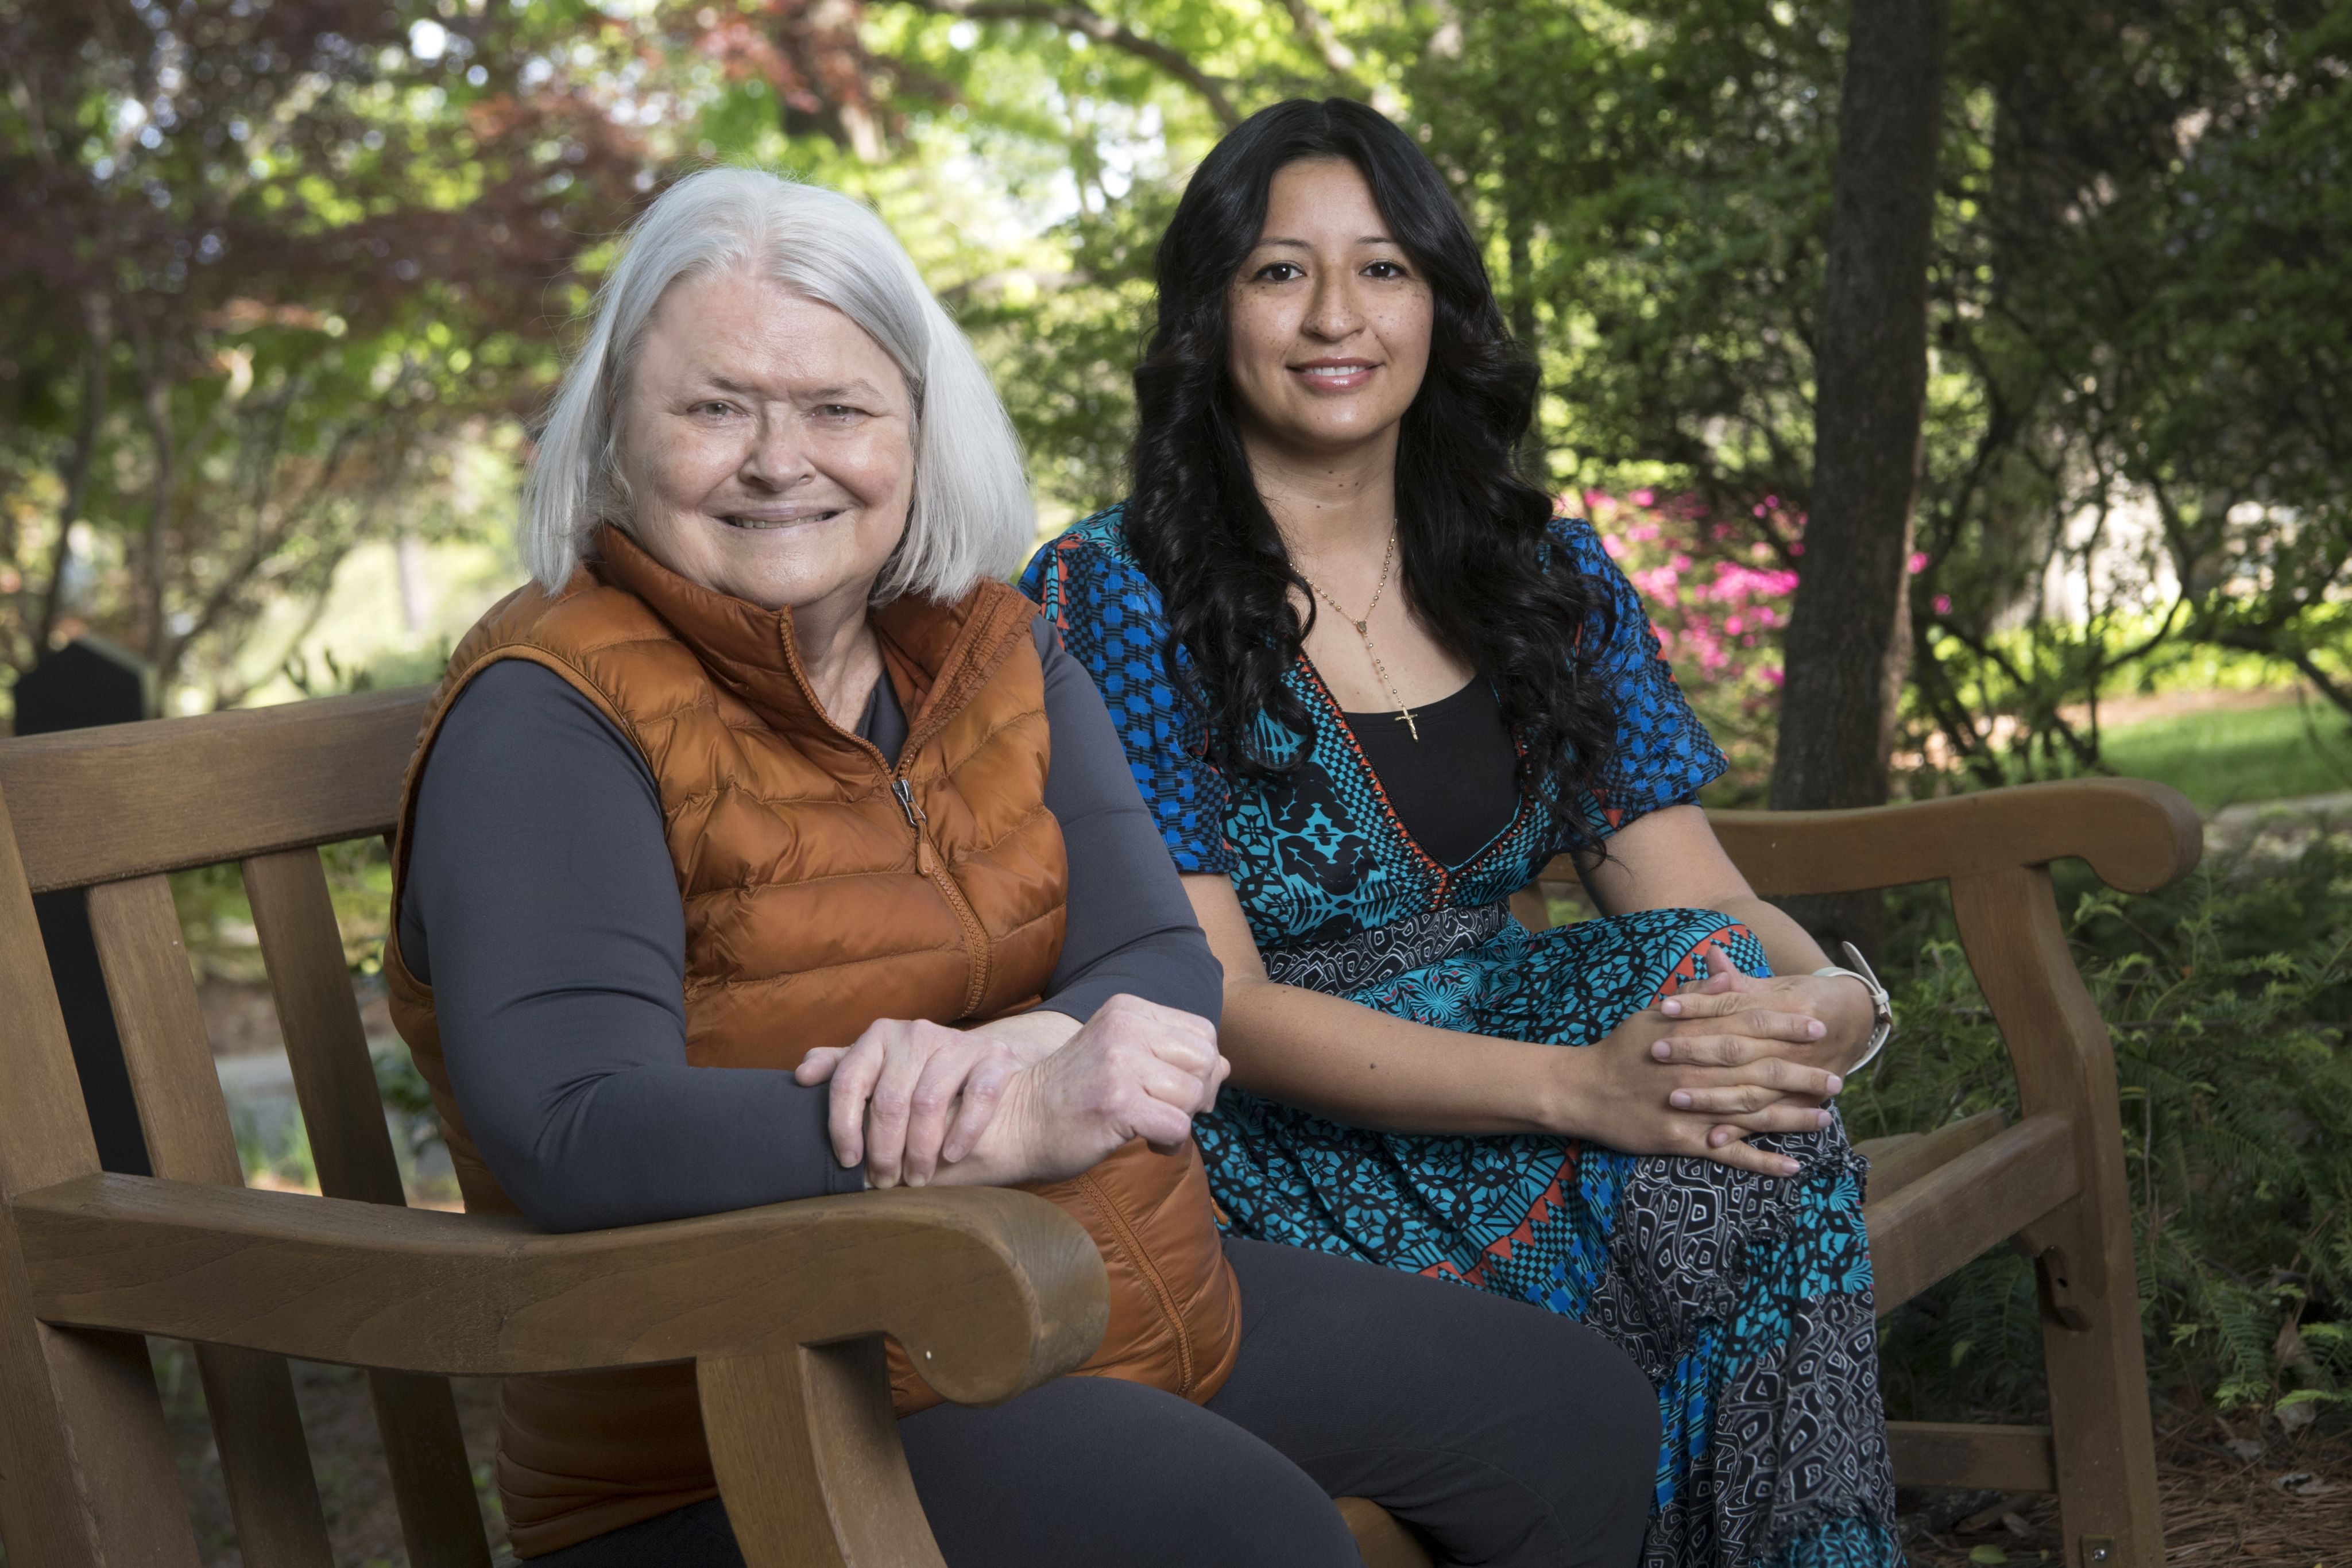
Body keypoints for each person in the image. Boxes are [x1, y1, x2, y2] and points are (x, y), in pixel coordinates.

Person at [385, 165, 1659, 1567]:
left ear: (919, 430)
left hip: (1091, 1305)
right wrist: (990, 1120)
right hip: (757, 1420)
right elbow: (573, 1124)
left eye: (838, 409)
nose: (778, 460)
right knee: (1242, 1536)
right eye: (714, 408)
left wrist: (1006, 1057)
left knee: (1568, 1412)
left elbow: (1158, 956)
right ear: (616, 431)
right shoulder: (549, 713)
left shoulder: (988, 645)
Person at [1022, 100, 1899, 1568]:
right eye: (1279, 271)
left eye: (1382, 269)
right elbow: (1210, 998)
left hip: (1546, 1074)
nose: (1334, 316)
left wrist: (1830, 1007)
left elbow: (1695, 898)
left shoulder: (1540, 572)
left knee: (1732, 1077)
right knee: (1739, 1157)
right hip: (1281, 1142)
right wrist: (1579, 1090)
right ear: (1209, 312)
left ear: (1437, 303)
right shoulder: (1113, 589)